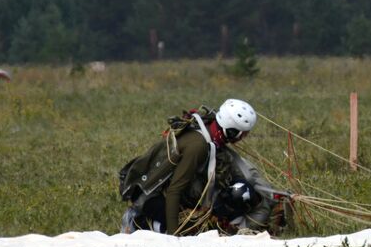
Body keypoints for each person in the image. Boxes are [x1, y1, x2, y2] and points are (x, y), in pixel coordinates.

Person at [118, 98, 283, 235]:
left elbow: (246, 171)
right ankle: (137, 222)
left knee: (237, 195)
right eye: (243, 134)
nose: (243, 138)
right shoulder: (199, 146)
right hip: (151, 199)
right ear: (232, 131)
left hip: (177, 194)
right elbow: (176, 189)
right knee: (197, 228)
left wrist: (272, 194)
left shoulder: (212, 135)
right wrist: (175, 235)